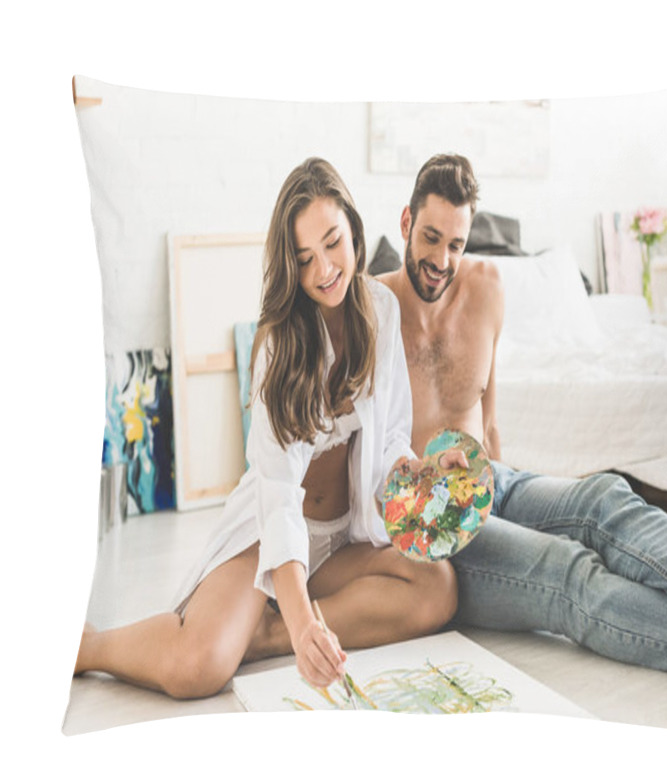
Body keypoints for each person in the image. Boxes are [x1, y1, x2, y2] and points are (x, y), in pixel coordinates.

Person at [74, 158, 458, 698]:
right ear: (290, 265)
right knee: (198, 669)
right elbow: (277, 496)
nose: (325, 269)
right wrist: (306, 622)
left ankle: (266, 634)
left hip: (342, 539)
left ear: (354, 228)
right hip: (269, 535)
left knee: (436, 586)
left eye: (333, 243)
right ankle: (88, 645)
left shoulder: (382, 309)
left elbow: (392, 438)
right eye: (305, 259)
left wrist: (425, 472)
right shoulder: (279, 345)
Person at [379, 153, 667, 683]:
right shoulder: (370, 310)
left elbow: (488, 419)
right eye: (430, 238)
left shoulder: (487, 287)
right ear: (406, 224)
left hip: (493, 481)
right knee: (570, 572)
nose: (442, 260)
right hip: (435, 525)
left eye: (456, 244)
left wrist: (502, 489)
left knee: (603, 498)